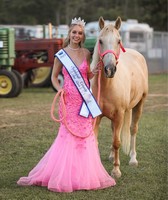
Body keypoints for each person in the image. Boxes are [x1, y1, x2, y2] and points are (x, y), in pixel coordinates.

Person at [17, 17, 116, 193]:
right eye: (74, 32)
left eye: (79, 33)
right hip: (69, 99)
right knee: (68, 136)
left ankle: (83, 174)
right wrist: (59, 90)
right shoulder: (61, 55)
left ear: (82, 35)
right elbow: (54, 77)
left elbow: (87, 76)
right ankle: (65, 174)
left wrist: (94, 72)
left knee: (85, 136)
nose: (76, 35)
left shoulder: (86, 53)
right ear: (69, 34)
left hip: (84, 99)